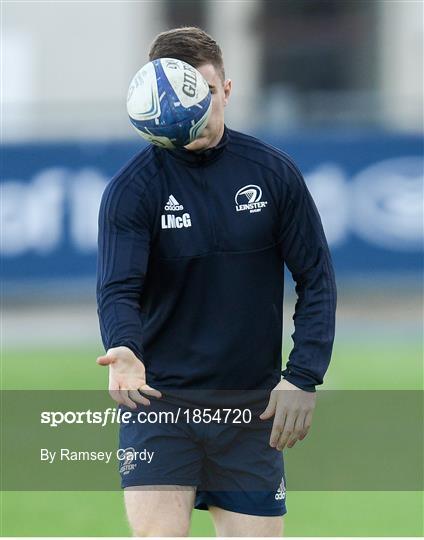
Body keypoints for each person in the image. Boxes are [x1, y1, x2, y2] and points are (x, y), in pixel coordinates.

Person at [96, 26, 336, 537]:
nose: (196, 109)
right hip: (159, 406)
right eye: (183, 97)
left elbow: (316, 279)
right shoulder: (132, 190)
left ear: (226, 89)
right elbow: (119, 288)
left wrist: (303, 375)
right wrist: (123, 346)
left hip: (251, 411)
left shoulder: (274, 174)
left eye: (205, 92)